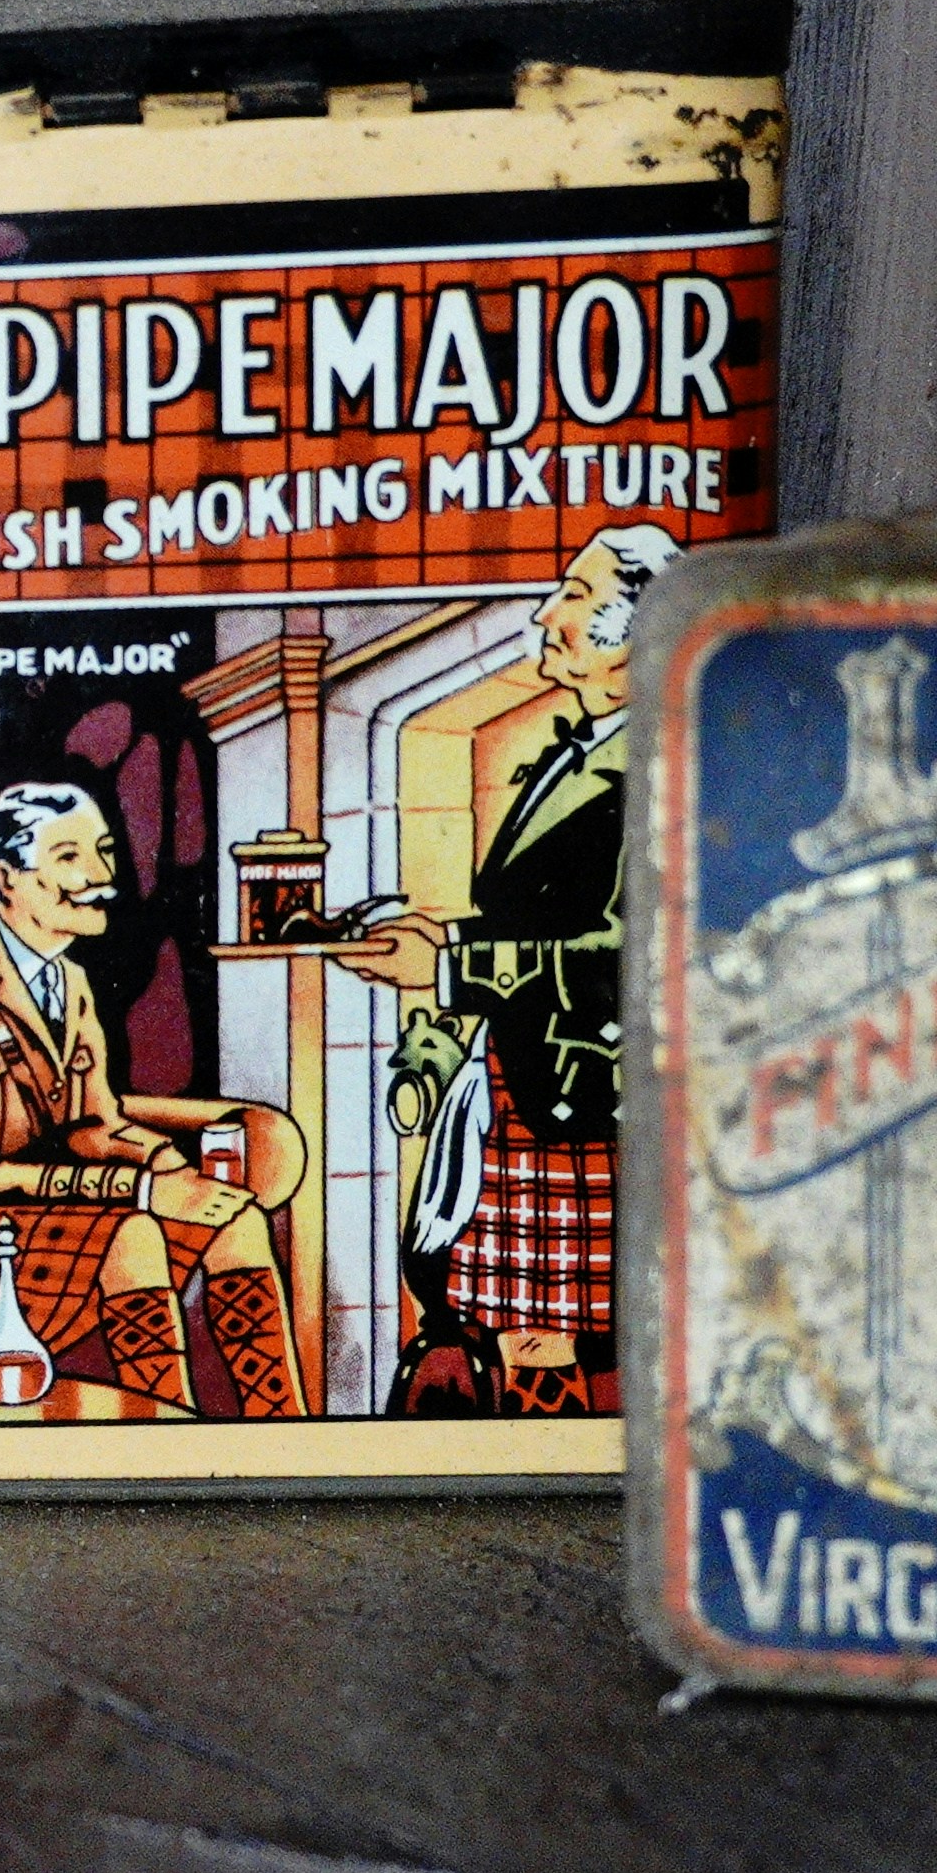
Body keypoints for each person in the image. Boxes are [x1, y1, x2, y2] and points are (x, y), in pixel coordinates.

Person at [345, 523, 681, 1419]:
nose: (546, 611)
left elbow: (636, 958)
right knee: (495, 1320)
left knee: (561, 1337)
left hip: (587, 1097)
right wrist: (426, 939)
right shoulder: (569, 753)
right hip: (522, 1085)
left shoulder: (659, 766)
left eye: (572, 592)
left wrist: (449, 963)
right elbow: (533, 922)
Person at [0, 780, 293, 1419]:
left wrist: (166, 1165)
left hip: (25, 1198)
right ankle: (160, 1428)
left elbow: (91, 1124)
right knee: (131, 1234)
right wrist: (142, 1193)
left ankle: (281, 1422)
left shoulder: (69, 979)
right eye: (71, 857)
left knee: (236, 1220)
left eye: (104, 850)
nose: (103, 874)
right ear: (6, 878)